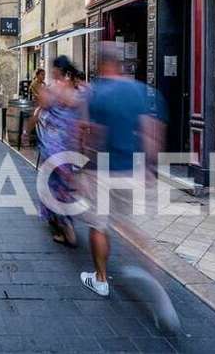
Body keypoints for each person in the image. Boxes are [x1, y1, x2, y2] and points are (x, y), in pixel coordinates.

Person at [78, 41, 168, 297]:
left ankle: (101, 279)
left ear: (100, 64)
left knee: (99, 224)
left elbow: (89, 133)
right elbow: (152, 130)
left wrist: (82, 168)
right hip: (132, 169)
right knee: (128, 225)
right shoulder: (141, 91)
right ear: (120, 64)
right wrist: (150, 168)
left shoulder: (93, 93)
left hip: (102, 170)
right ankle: (153, 266)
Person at [32, 56, 86, 247]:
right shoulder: (78, 92)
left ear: (57, 70)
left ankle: (66, 230)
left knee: (51, 186)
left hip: (53, 147)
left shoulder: (54, 89)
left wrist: (27, 130)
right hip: (69, 147)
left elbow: (39, 110)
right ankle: (63, 223)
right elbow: (82, 123)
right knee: (63, 186)